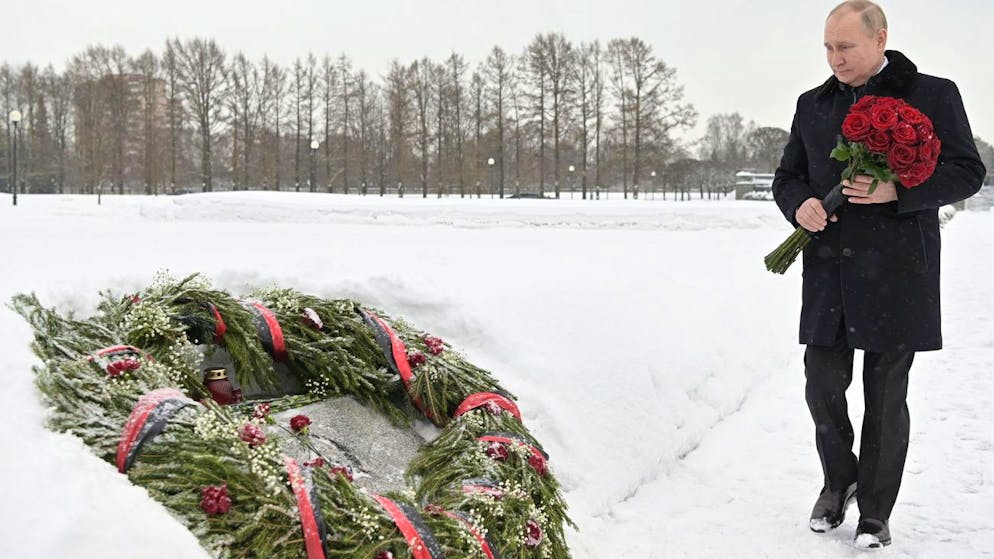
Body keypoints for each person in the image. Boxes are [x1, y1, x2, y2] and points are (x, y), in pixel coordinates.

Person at [771, 0, 986, 549]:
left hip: (898, 270)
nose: (834, 58)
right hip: (828, 269)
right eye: (827, 47)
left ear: (880, 39)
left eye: (845, 47)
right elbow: (788, 176)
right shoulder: (812, 104)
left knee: (886, 395)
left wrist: (900, 190)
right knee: (821, 383)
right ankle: (838, 480)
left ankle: (875, 509)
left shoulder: (933, 94)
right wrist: (800, 206)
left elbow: (967, 172)